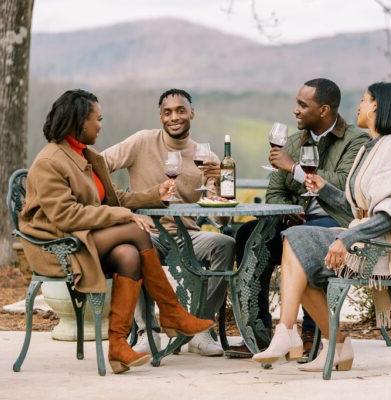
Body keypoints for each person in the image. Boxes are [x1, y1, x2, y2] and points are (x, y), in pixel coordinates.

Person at [19, 89, 214, 374]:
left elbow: (113, 198)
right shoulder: (50, 162)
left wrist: (154, 194)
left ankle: (119, 345)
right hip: (58, 245)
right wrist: (124, 215)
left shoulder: (84, 155)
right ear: (79, 121)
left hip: (83, 238)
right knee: (135, 231)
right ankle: (172, 312)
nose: (101, 125)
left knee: (129, 255)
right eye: (97, 119)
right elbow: (66, 215)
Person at [252, 82, 391, 373]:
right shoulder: (373, 147)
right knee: (297, 260)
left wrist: (348, 237)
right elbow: (356, 209)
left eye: (365, 100)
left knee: (295, 245)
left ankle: (290, 332)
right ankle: (332, 343)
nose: (358, 106)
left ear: (378, 106)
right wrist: (322, 188)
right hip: (372, 242)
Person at [230, 78, 368, 359]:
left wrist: (294, 168)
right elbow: (275, 192)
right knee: (247, 235)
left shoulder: (356, 141)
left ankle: (310, 333)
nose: (295, 110)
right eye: (296, 103)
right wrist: (288, 211)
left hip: (335, 220)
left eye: (303, 105)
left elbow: (343, 184)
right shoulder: (292, 141)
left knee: (302, 242)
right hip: (294, 221)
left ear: (324, 110)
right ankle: (258, 334)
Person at [101, 89, 234, 357]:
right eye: (167, 112)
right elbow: (99, 165)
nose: (174, 117)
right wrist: (122, 200)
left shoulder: (204, 156)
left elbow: (221, 218)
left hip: (190, 236)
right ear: (160, 116)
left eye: (180, 110)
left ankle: (199, 327)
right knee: (132, 247)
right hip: (148, 233)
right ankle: (145, 331)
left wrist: (218, 180)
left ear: (191, 113)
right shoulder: (141, 141)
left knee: (226, 244)